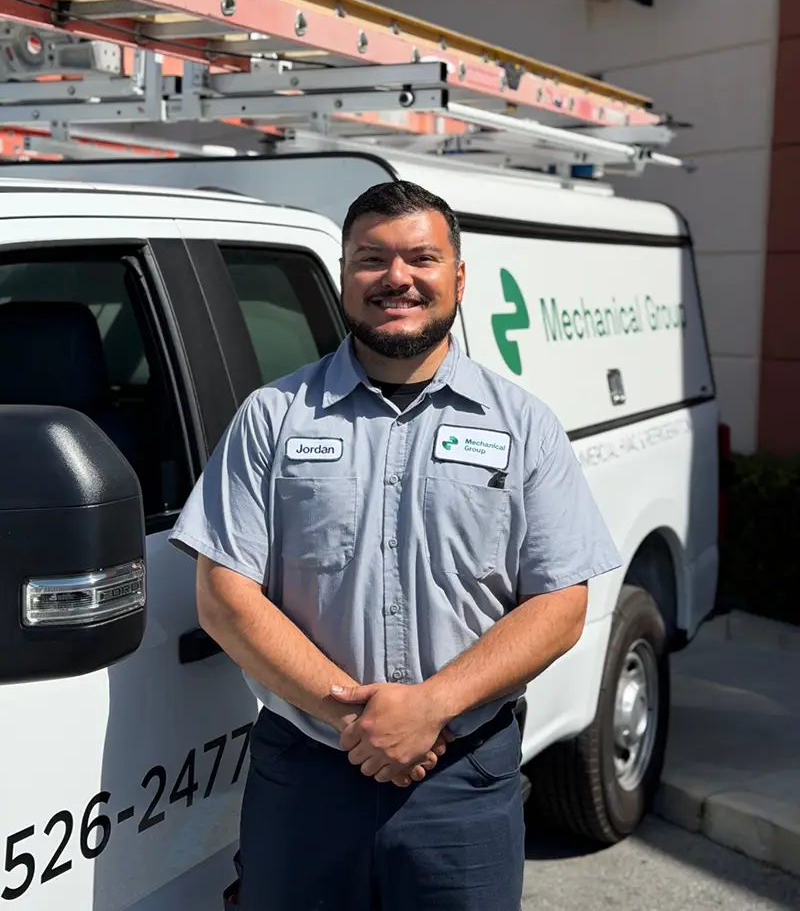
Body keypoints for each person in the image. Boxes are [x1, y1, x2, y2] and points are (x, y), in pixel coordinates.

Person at [169, 180, 621, 911]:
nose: (397, 278)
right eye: (372, 259)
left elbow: (561, 602)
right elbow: (224, 597)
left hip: (463, 781)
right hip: (306, 774)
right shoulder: (271, 418)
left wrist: (431, 706)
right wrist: (358, 721)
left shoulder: (524, 426)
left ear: (459, 277)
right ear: (344, 275)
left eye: (421, 258)